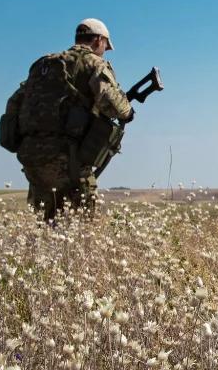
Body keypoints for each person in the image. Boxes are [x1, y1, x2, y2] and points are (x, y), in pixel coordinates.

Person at [8, 18, 134, 221]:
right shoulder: (93, 62)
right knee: (80, 228)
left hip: (32, 157)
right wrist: (128, 111)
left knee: (45, 222)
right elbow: (112, 103)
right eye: (105, 46)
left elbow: (14, 103)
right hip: (69, 158)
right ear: (99, 40)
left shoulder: (44, 65)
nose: (104, 51)